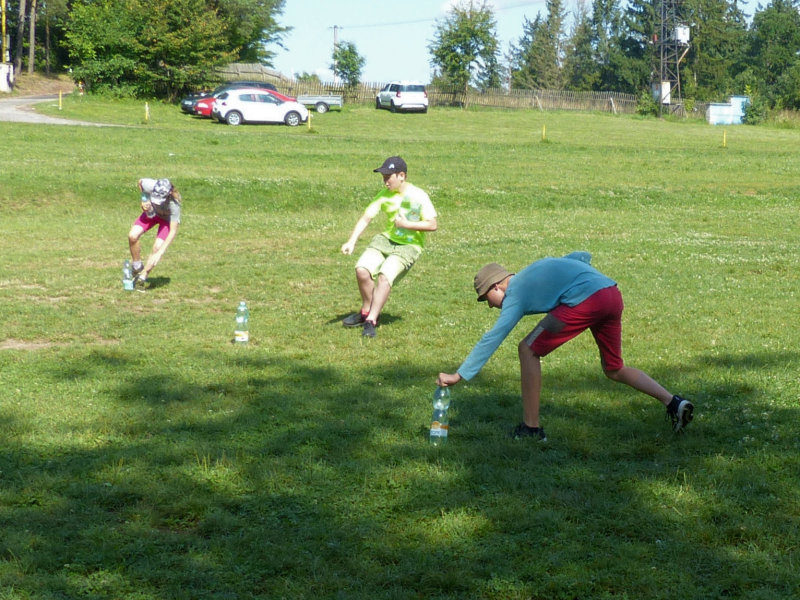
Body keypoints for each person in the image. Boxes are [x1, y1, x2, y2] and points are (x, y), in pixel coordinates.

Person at [436, 252, 693, 440]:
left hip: (586, 301)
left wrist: (459, 374)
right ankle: (674, 403)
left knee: (528, 349)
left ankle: (531, 429)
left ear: (496, 286)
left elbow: (494, 336)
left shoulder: (516, 292)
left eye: (486, 299)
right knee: (614, 368)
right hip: (611, 293)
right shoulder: (532, 271)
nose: (491, 306)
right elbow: (581, 256)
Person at [340, 156, 438, 337]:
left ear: (402, 176)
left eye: (388, 177)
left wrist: (407, 225)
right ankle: (366, 311)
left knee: (384, 277)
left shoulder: (419, 195)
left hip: (409, 245)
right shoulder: (384, 194)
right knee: (361, 269)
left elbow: (432, 224)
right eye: (383, 177)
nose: (385, 182)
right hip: (386, 240)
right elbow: (366, 218)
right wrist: (351, 241)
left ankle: (371, 320)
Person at [128, 178, 182, 291]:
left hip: (166, 220)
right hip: (152, 213)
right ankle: (137, 265)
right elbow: (140, 182)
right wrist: (144, 200)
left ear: (168, 194)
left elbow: (173, 231)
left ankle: (142, 277)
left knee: (157, 248)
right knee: (132, 236)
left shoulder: (174, 204)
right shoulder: (150, 185)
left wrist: (160, 252)